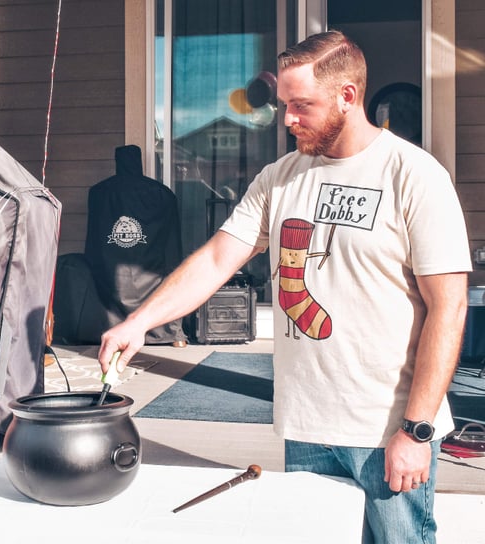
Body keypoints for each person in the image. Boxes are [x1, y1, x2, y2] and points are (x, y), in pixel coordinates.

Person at [98, 30, 470, 544]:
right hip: (305, 424)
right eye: (285, 106)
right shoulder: (281, 177)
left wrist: (417, 430)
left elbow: (448, 309)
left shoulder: (414, 175)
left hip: (387, 428)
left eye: (302, 106)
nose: (288, 119)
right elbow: (215, 259)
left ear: (347, 96)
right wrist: (138, 322)